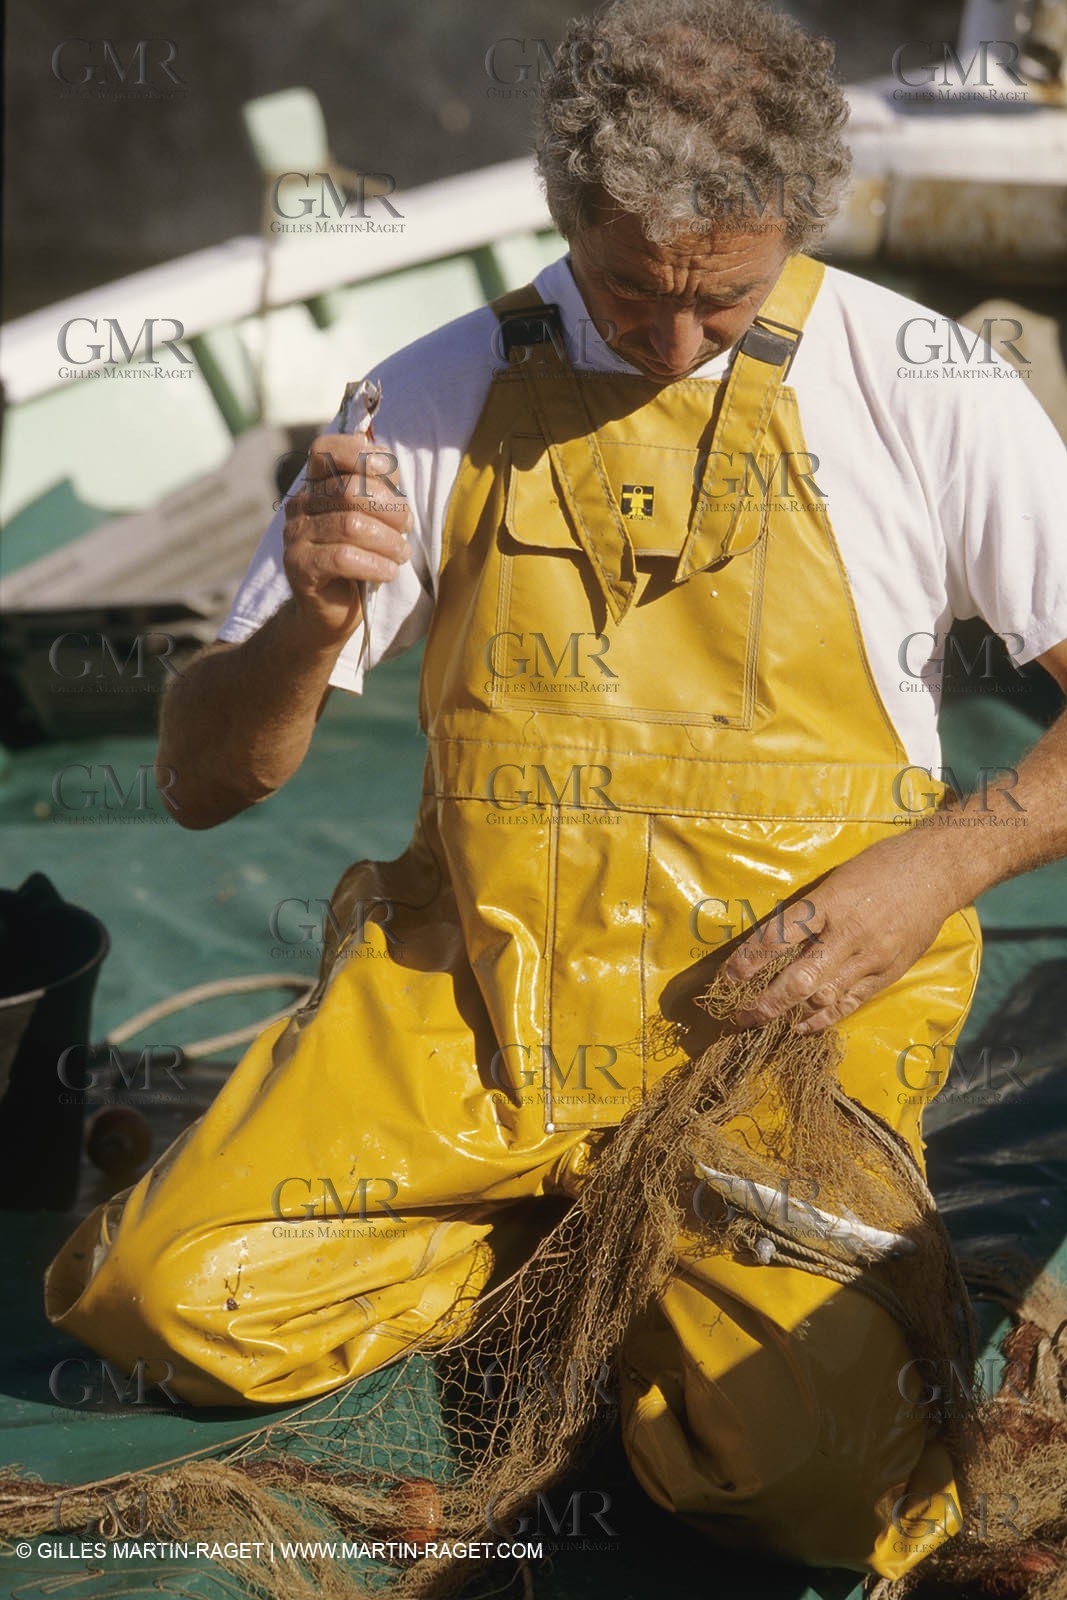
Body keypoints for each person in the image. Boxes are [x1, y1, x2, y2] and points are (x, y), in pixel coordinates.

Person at [45, 0, 1067, 1583]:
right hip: (479, 995)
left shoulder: (931, 383)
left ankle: (609, 1250)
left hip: (787, 1013)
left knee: (781, 1468)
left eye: (718, 302)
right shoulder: (425, 393)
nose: (664, 345)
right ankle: (574, 1236)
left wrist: (927, 872)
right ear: (561, 211)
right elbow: (196, 786)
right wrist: (312, 624)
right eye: (626, 291)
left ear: (798, 224)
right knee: (167, 1301)